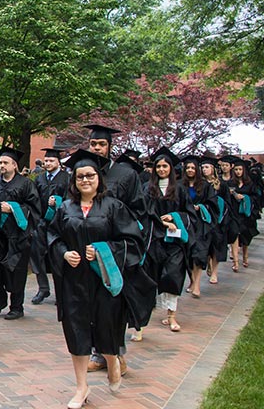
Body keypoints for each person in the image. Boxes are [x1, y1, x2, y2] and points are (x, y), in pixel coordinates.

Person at [48, 149, 144, 408]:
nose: (85, 180)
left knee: (107, 325)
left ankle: (112, 360)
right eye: (80, 177)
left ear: (99, 178)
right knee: (76, 331)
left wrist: (105, 250)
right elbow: (51, 237)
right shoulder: (66, 208)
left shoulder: (114, 207)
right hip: (74, 280)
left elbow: (133, 241)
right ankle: (81, 388)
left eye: (90, 175)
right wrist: (64, 253)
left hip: (104, 281)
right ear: (74, 181)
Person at [85, 125, 146, 373]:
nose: (97, 148)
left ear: (110, 146)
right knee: (90, 304)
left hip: (114, 250)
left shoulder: (125, 174)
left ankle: (116, 352)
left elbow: (139, 210)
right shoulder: (83, 172)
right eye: (93, 144)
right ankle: (97, 354)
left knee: (113, 304)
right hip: (87, 247)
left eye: (101, 144)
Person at [144, 146, 196, 332]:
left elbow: (190, 214)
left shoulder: (180, 190)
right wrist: (163, 223)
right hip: (155, 239)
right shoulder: (148, 189)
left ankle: (172, 316)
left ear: (171, 169)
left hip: (174, 242)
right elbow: (145, 213)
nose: (162, 170)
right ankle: (146, 315)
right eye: (158, 167)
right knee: (153, 276)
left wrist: (175, 217)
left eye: (165, 166)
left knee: (173, 275)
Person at [0, 146, 41, 320]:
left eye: (5, 162)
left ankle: (17, 306)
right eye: (0, 162)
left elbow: (34, 209)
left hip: (17, 237)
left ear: (15, 165)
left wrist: (13, 208)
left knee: (16, 273)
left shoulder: (25, 184)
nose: (2, 165)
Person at [31, 147, 69, 305]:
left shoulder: (66, 178)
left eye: (51, 160)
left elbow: (70, 199)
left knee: (58, 257)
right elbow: (33, 200)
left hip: (59, 224)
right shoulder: (39, 179)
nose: (48, 163)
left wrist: (58, 202)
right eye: (46, 160)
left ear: (58, 162)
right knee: (36, 254)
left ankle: (61, 292)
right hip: (41, 222)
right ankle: (43, 288)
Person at [181, 155, 217, 299]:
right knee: (188, 256)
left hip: (201, 225)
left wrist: (200, 207)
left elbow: (213, 205)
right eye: (188, 168)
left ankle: (196, 285)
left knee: (199, 254)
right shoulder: (179, 186)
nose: (190, 170)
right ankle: (192, 281)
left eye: (193, 168)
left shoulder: (206, 187)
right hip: (186, 223)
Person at [201, 155, 229, 284]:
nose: (204, 170)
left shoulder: (221, 185)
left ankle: (215, 273)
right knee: (205, 247)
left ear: (213, 169)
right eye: (202, 167)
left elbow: (228, 203)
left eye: (207, 167)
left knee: (216, 247)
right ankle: (208, 263)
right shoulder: (200, 185)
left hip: (218, 220)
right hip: (205, 220)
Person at [230, 158, 261, 269]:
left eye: (240, 169)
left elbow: (256, 198)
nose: (238, 171)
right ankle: (236, 262)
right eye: (236, 169)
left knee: (245, 236)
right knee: (235, 235)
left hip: (246, 214)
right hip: (234, 213)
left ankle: (245, 255)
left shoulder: (250, 184)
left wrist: (245, 197)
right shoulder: (231, 184)